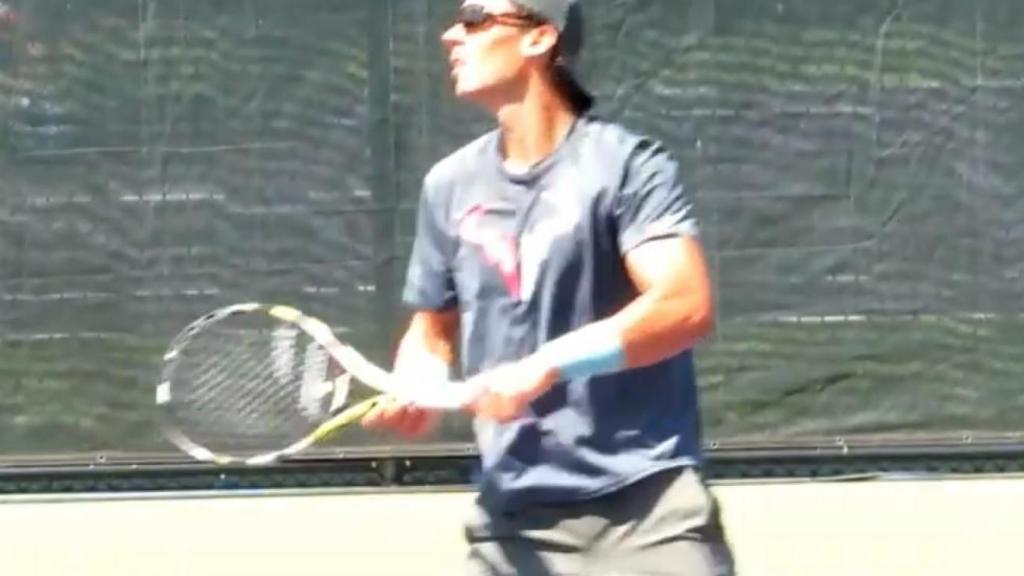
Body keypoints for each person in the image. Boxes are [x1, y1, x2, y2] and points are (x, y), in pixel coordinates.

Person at [362, 0, 735, 574]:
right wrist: (422, 382)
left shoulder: (629, 167)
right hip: (510, 524)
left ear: (540, 38)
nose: (449, 35)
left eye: (475, 19)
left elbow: (685, 304)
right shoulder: (448, 185)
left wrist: (546, 365)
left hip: (647, 514)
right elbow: (432, 329)